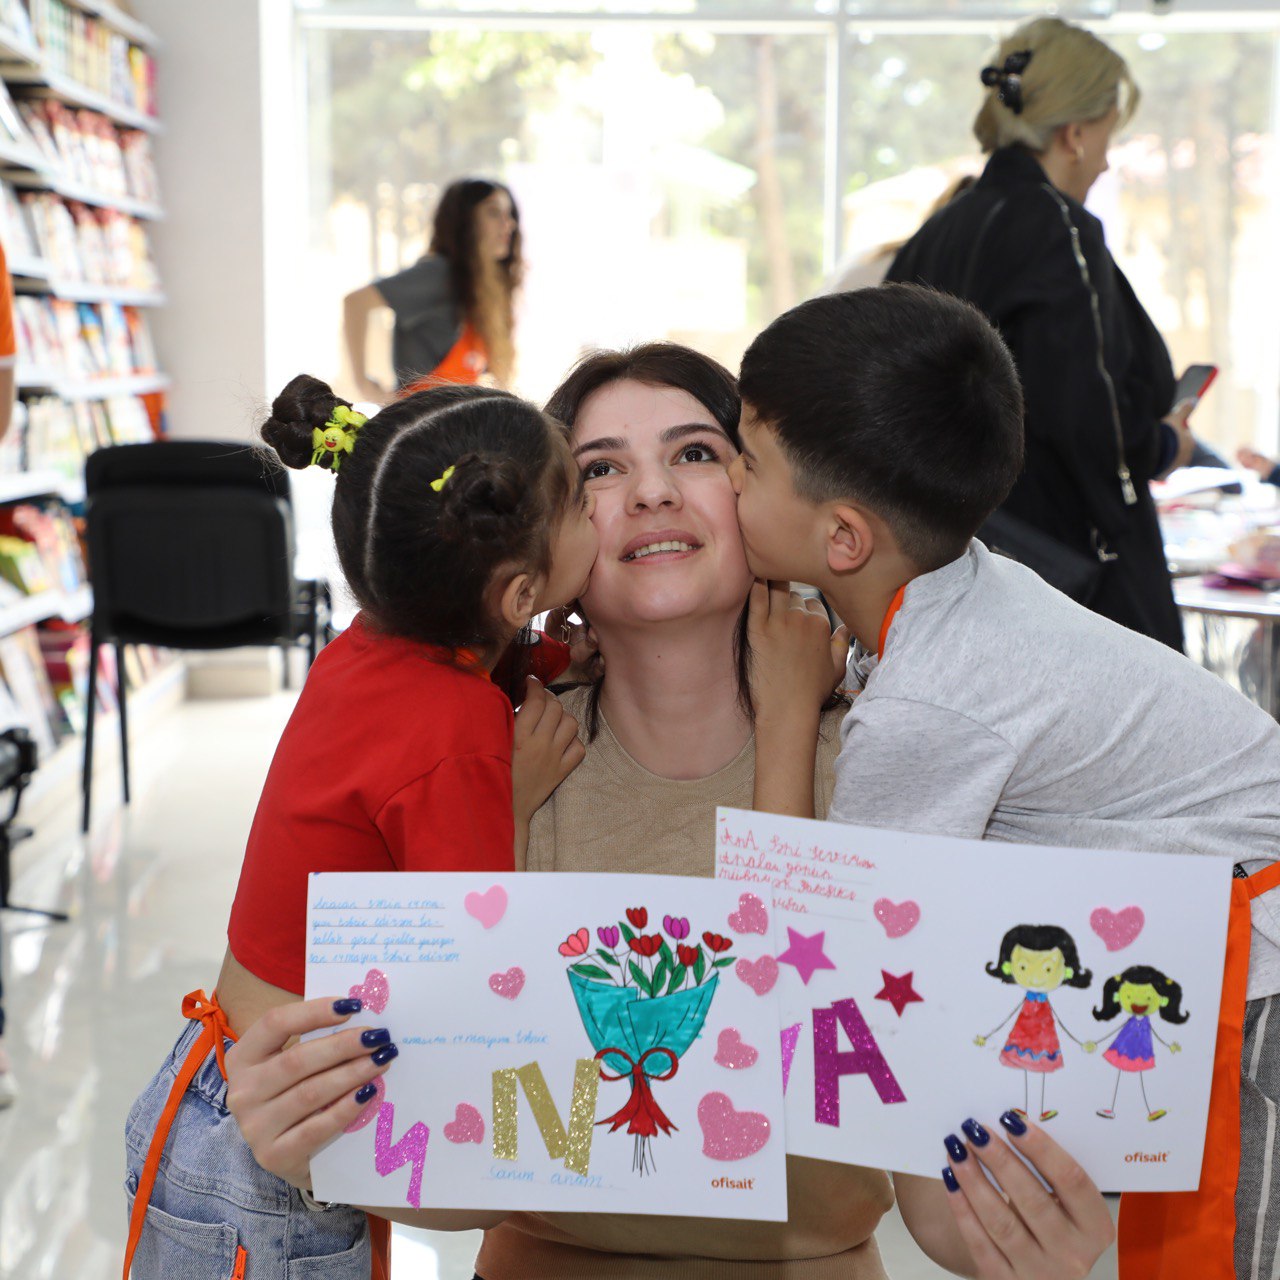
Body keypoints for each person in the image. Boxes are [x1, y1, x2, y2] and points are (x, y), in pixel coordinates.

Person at [226, 340, 1119, 1280]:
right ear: (525, 552)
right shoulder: (483, 767)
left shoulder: (895, 763)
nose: (651, 492)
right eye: (598, 471)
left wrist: (1029, 1234)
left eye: (695, 452)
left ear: (766, 498)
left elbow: (933, 1196)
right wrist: (313, 1139)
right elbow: (460, 1172)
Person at [730, 282, 1280, 1277]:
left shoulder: (926, 702)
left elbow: (817, 951)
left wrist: (783, 709)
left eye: (743, 459)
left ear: (843, 538)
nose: (724, 479)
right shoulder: (961, 587)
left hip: (1260, 974)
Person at [121, 376, 598, 1279]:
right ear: (519, 591)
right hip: (278, 1148)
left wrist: (548, 651)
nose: (600, 511)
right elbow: (468, 945)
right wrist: (516, 797)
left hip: (216, 1086)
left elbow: (460, 668)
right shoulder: (459, 734)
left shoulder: (368, 643)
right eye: (580, 497)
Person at [887, 16, 1193, 650]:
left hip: (945, 569)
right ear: (1075, 135)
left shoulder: (939, 230)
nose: (1107, 160)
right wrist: (1163, 445)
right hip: (1066, 582)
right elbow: (1090, 419)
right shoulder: (1060, 230)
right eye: (1108, 136)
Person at [343, 178, 522, 397]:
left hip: (449, 412)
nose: (509, 224)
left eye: (509, 214)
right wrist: (364, 385)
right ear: (464, 221)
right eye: (494, 213)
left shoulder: (476, 288)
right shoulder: (440, 274)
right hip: (423, 414)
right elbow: (356, 302)